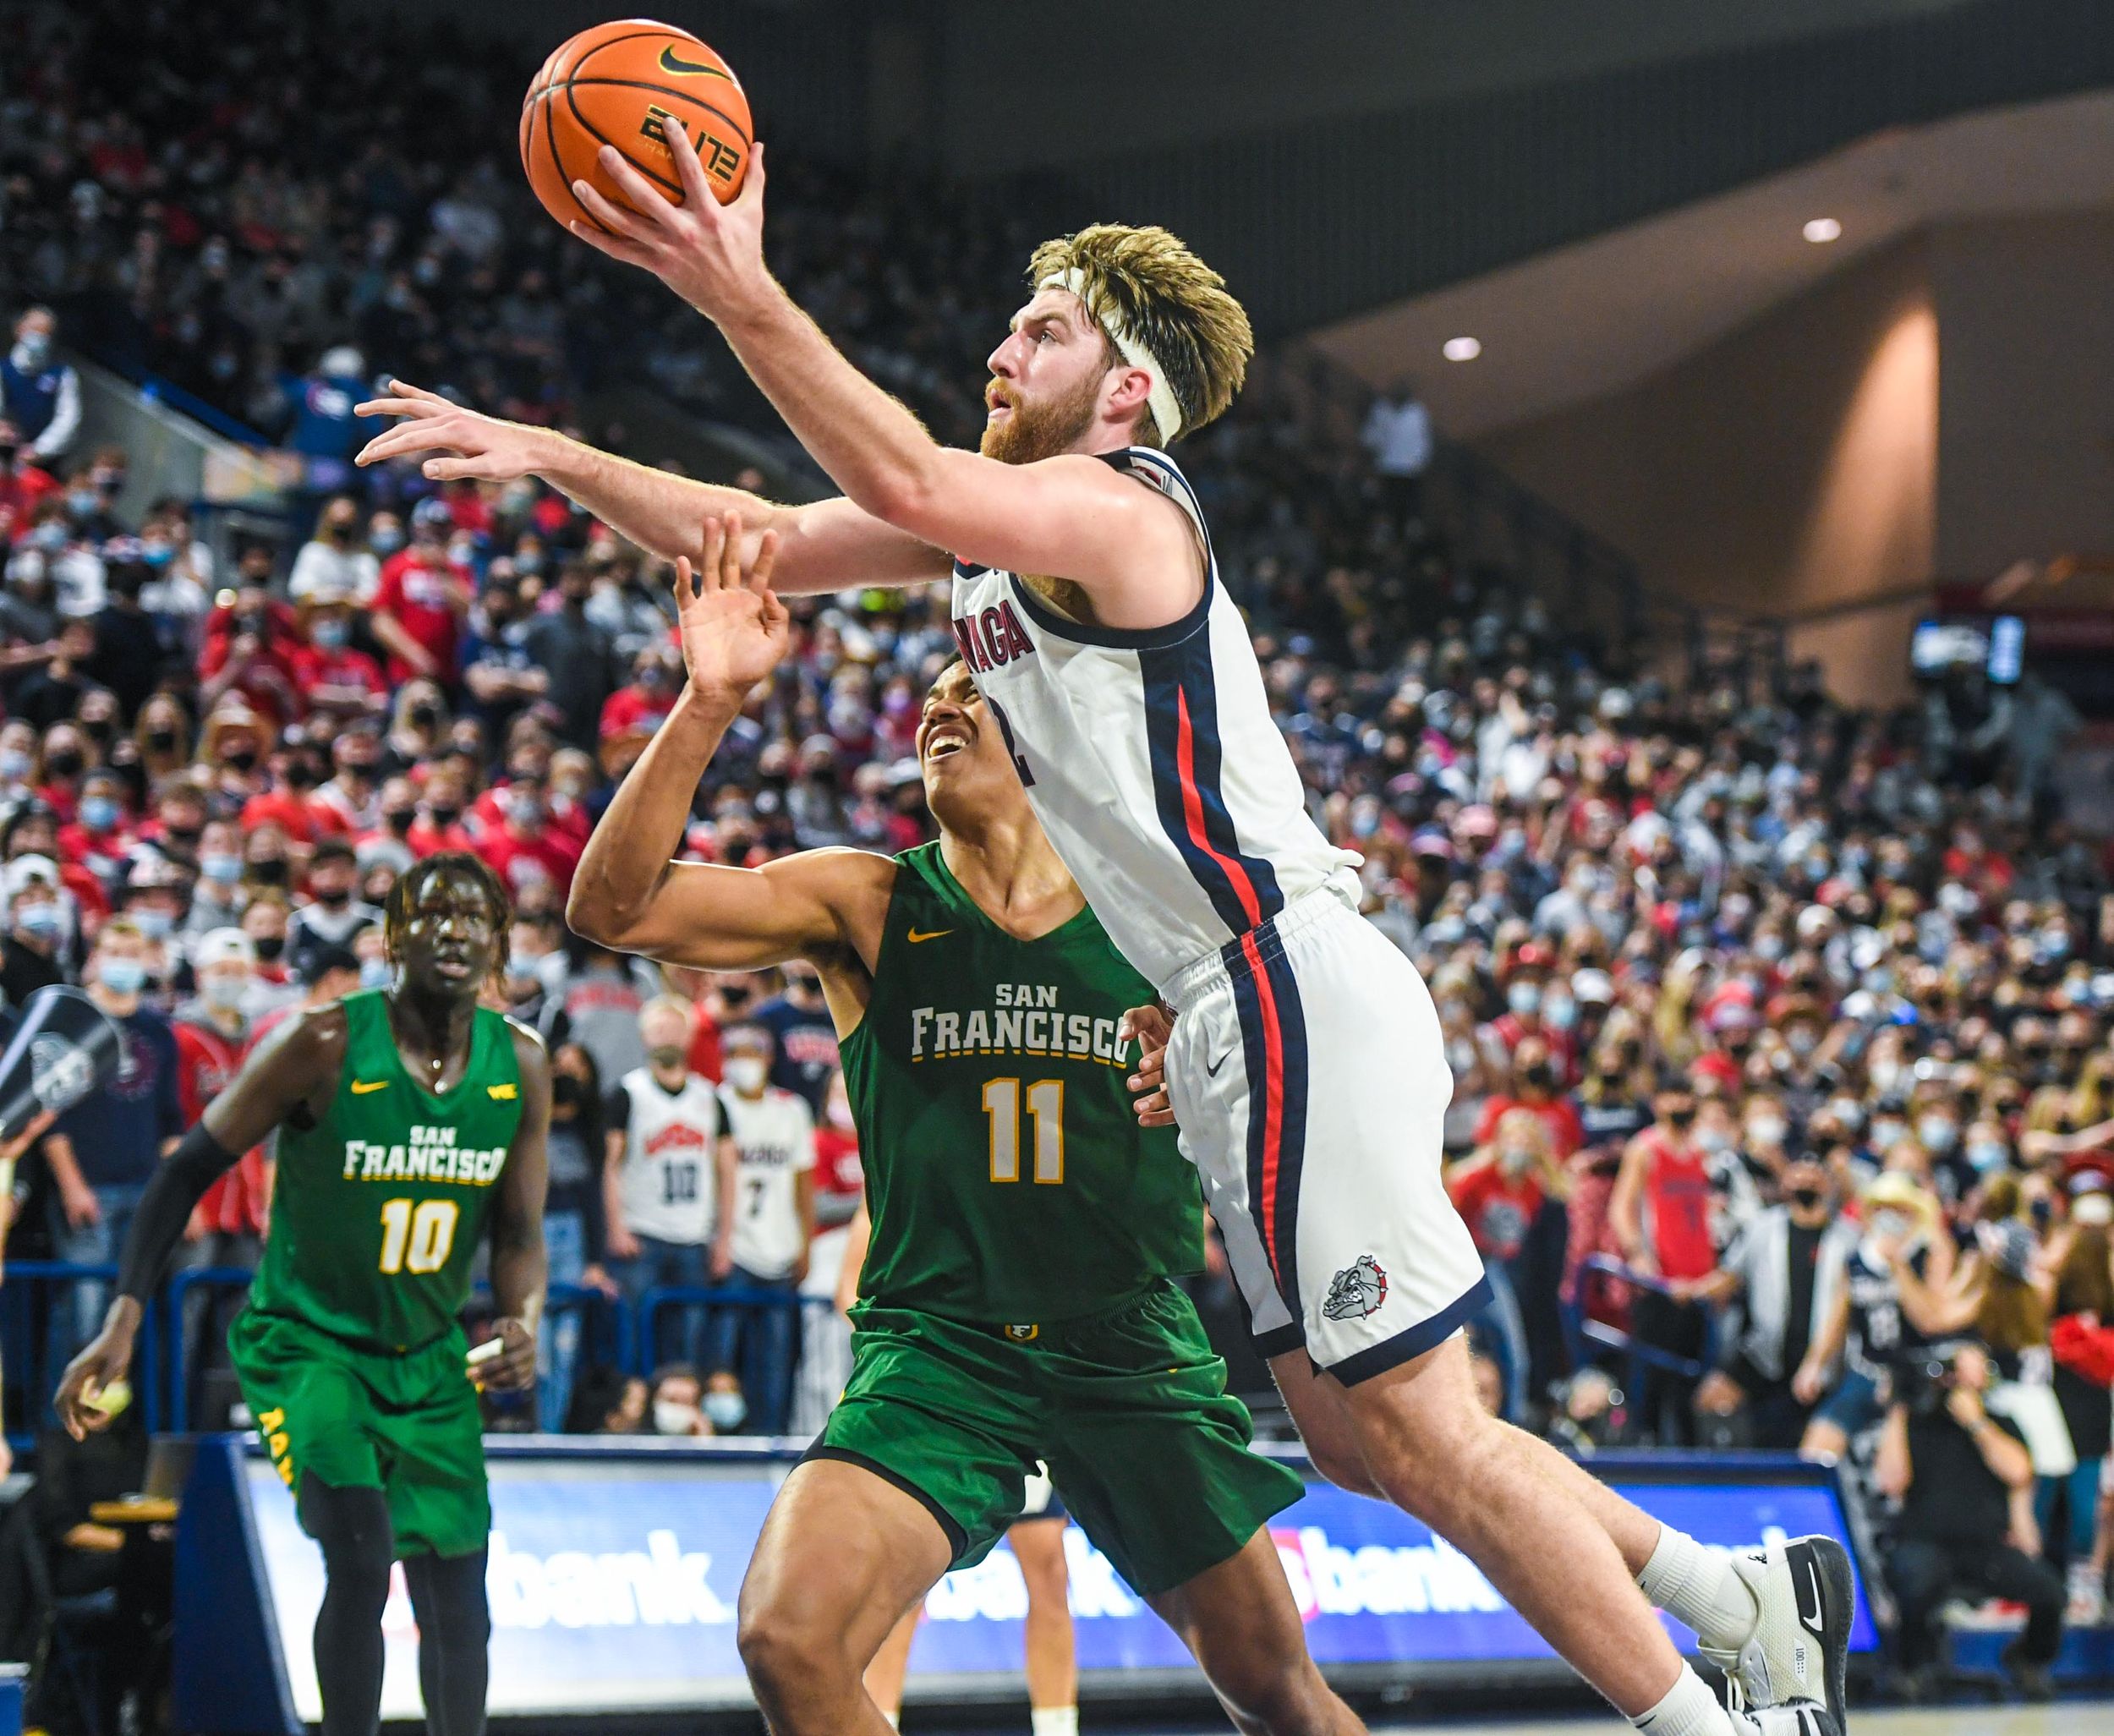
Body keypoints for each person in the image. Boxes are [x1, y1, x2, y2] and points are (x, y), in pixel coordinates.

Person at [363, 146, 1848, 1736]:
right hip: (1224, 1005)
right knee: (1353, 1441)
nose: (1002, 349)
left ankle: (1713, 1719)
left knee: (1418, 1432)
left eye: (1043, 331)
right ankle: (1726, 1589)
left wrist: (738, 290)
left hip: (1280, 979)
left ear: (1126, 390)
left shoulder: (1125, 514)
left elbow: (912, 484)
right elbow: (764, 540)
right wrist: (547, 454)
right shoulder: (1001, 541)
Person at [564, 532, 1361, 1736]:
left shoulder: (1164, 917)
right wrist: (710, 700)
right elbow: (613, 907)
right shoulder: (870, 900)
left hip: (1128, 1346)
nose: (942, 706)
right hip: (942, 1354)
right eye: (932, 695)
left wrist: (1206, 1072)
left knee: (1278, 1693)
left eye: (971, 695)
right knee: (788, 1636)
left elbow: (1305, 1068)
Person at [55, 852, 551, 1736]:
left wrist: (521, 1317)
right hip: (308, 1344)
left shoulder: (521, 1063)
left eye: (475, 917)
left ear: (501, 946)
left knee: (459, 1598)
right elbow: (185, 1174)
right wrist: (124, 1319)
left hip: (430, 1356)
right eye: (432, 914)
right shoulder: (318, 1041)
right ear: (392, 938)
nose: (454, 931)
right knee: (360, 1561)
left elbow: (517, 1232)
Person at [1876, 1339, 2065, 1700]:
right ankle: (1913, 1665)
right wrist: (1897, 1411)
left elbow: (2019, 1471)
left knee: (2050, 1592)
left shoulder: (2001, 1422)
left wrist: (1975, 1421)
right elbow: (1891, 1481)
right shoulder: (1915, 1424)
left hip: (1986, 1547)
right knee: (1915, 1577)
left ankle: (2028, 1658)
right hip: (1926, 1541)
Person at [42, 918, 184, 1367]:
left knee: (129, 1311)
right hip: (91, 1187)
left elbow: (170, 1120)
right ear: (95, 959)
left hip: (144, 1187)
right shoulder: (71, 1022)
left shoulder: (158, 1030)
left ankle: (112, 1422)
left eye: (133, 953)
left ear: (147, 962)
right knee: (83, 1310)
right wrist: (71, 1186)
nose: (123, 962)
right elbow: (50, 1115)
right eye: (114, 951)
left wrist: (173, 1193)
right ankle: (60, 1428)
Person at [604, 997, 736, 1367]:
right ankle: (634, 1415)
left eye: (674, 1027)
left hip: (693, 1236)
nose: (666, 1036)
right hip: (641, 1233)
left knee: (689, 1346)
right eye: (658, 1028)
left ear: (690, 1035)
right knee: (632, 1341)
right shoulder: (627, 1093)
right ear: (644, 1036)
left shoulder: (711, 1098)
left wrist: (724, 1238)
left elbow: (728, 1172)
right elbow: (610, 1166)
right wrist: (616, 1226)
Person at [1695, 1156, 1858, 1450]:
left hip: (1827, 1361)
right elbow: (1730, 1276)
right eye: (1798, 1175)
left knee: (1817, 1444)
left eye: (1814, 1176)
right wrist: (1687, 1290)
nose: (1805, 1182)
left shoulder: (1848, 1237)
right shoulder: (1763, 1227)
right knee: (1713, 1397)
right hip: (1766, 1354)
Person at [706, 1021, 815, 1435]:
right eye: (734, 1054)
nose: (744, 1063)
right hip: (731, 1250)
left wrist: (805, 1243)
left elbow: (805, 1183)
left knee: (774, 1362)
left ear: (769, 1059)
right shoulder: (713, 1104)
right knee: (721, 1357)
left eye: (752, 1054)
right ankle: (720, 1442)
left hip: (779, 1248)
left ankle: (771, 1439)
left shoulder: (791, 1110)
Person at [2, 309, 80, 464]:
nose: (39, 337)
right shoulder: (3, 369)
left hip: (41, 463)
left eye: (45, 333)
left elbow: (68, 419)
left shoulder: (63, 375)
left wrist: (39, 450)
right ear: (19, 329)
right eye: (34, 330)